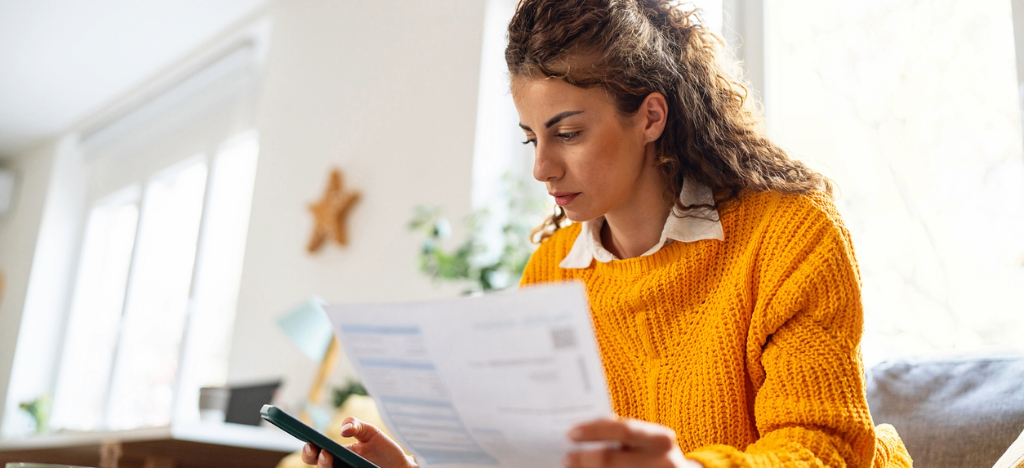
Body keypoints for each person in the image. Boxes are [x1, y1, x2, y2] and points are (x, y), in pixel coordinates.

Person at [303, 0, 914, 467]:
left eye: (567, 133)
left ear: (650, 116)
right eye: (530, 138)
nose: (542, 167)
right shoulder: (550, 269)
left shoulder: (790, 236)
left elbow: (826, 446)